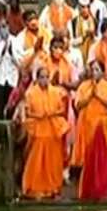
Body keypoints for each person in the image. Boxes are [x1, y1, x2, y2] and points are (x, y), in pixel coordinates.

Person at [72, 61, 107, 201]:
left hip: (105, 126)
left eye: (97, 69)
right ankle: (88, 192)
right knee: (89, 158)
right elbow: (78, 105)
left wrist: (99, 95)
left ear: (103, 71)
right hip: (88, 125)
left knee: (104, 159)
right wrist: (90, 94)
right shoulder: (84, 87)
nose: (94, 71)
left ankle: (104, 192)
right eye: (92, 69)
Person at [21, 67, 69, 200]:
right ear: (37, 79)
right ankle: (35, 188)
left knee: (54, 161)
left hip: (53, 129)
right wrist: (38, 115)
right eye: (42, 77)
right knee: (37, 161)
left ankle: (54, 188)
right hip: (39, 129)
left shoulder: (56, 92)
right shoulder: (31, 93)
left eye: (47, 77)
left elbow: (61, 109)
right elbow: (28, 112)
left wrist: (52, 113)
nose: (44, 80)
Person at [14, 9, 51, 75]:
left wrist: (43, 49)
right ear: (25, 23)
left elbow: (53, 48)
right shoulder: (20, 37)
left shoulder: (47, 32)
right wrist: (34, 51)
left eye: (35, 18)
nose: (33, 22)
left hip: (47, 69)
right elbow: (19, 58)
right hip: (30, 72)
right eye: (30, 20)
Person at [69, 0, 98, 65]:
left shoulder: (94, 21)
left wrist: (92, 36)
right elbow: (71, 42)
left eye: (87, 7)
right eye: (83, 7)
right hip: (78, 56)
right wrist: (83, 37)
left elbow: (98, 39)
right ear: (79, 8)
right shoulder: (73, 22)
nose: (85, 9)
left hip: (92, 55)